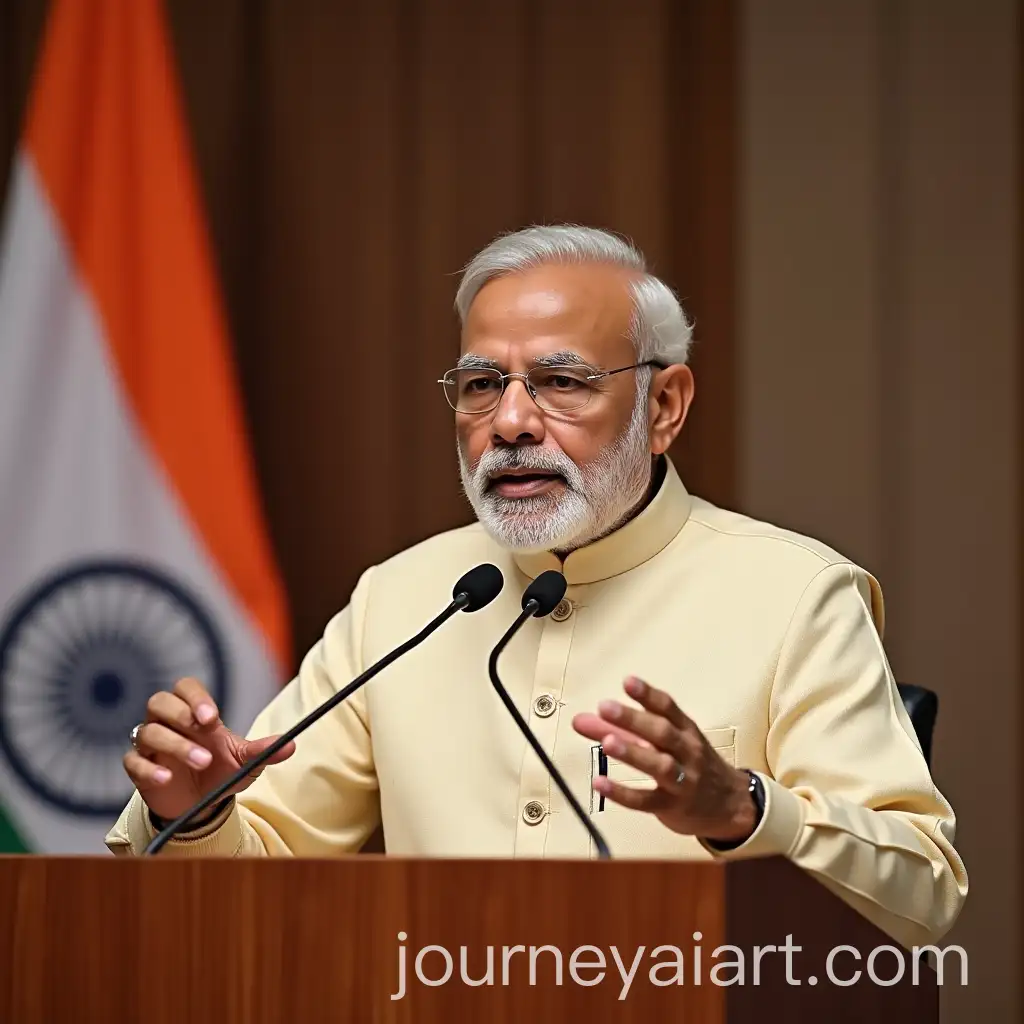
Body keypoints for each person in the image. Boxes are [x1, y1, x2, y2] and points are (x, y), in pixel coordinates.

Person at [106, 225, 967, 948]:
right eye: (483, 385)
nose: (511, 422)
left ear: (664, 406)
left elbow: (923, 898)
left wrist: (741, 810)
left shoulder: (796, 593)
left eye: (560, 382)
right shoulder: (403, 600)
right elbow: (254, 889)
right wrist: (196, 813)